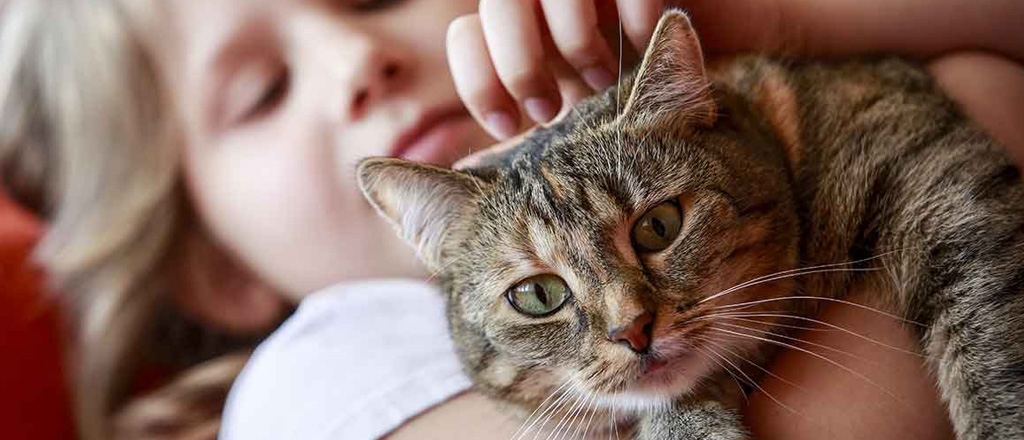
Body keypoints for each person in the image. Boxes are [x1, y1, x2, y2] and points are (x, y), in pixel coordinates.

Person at [0, 1, 1020, 440]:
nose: (362, 63)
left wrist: (765, 22)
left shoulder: (719, 131)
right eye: (263, 91)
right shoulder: (308, 379)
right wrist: (975, 105)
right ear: (217, 273)